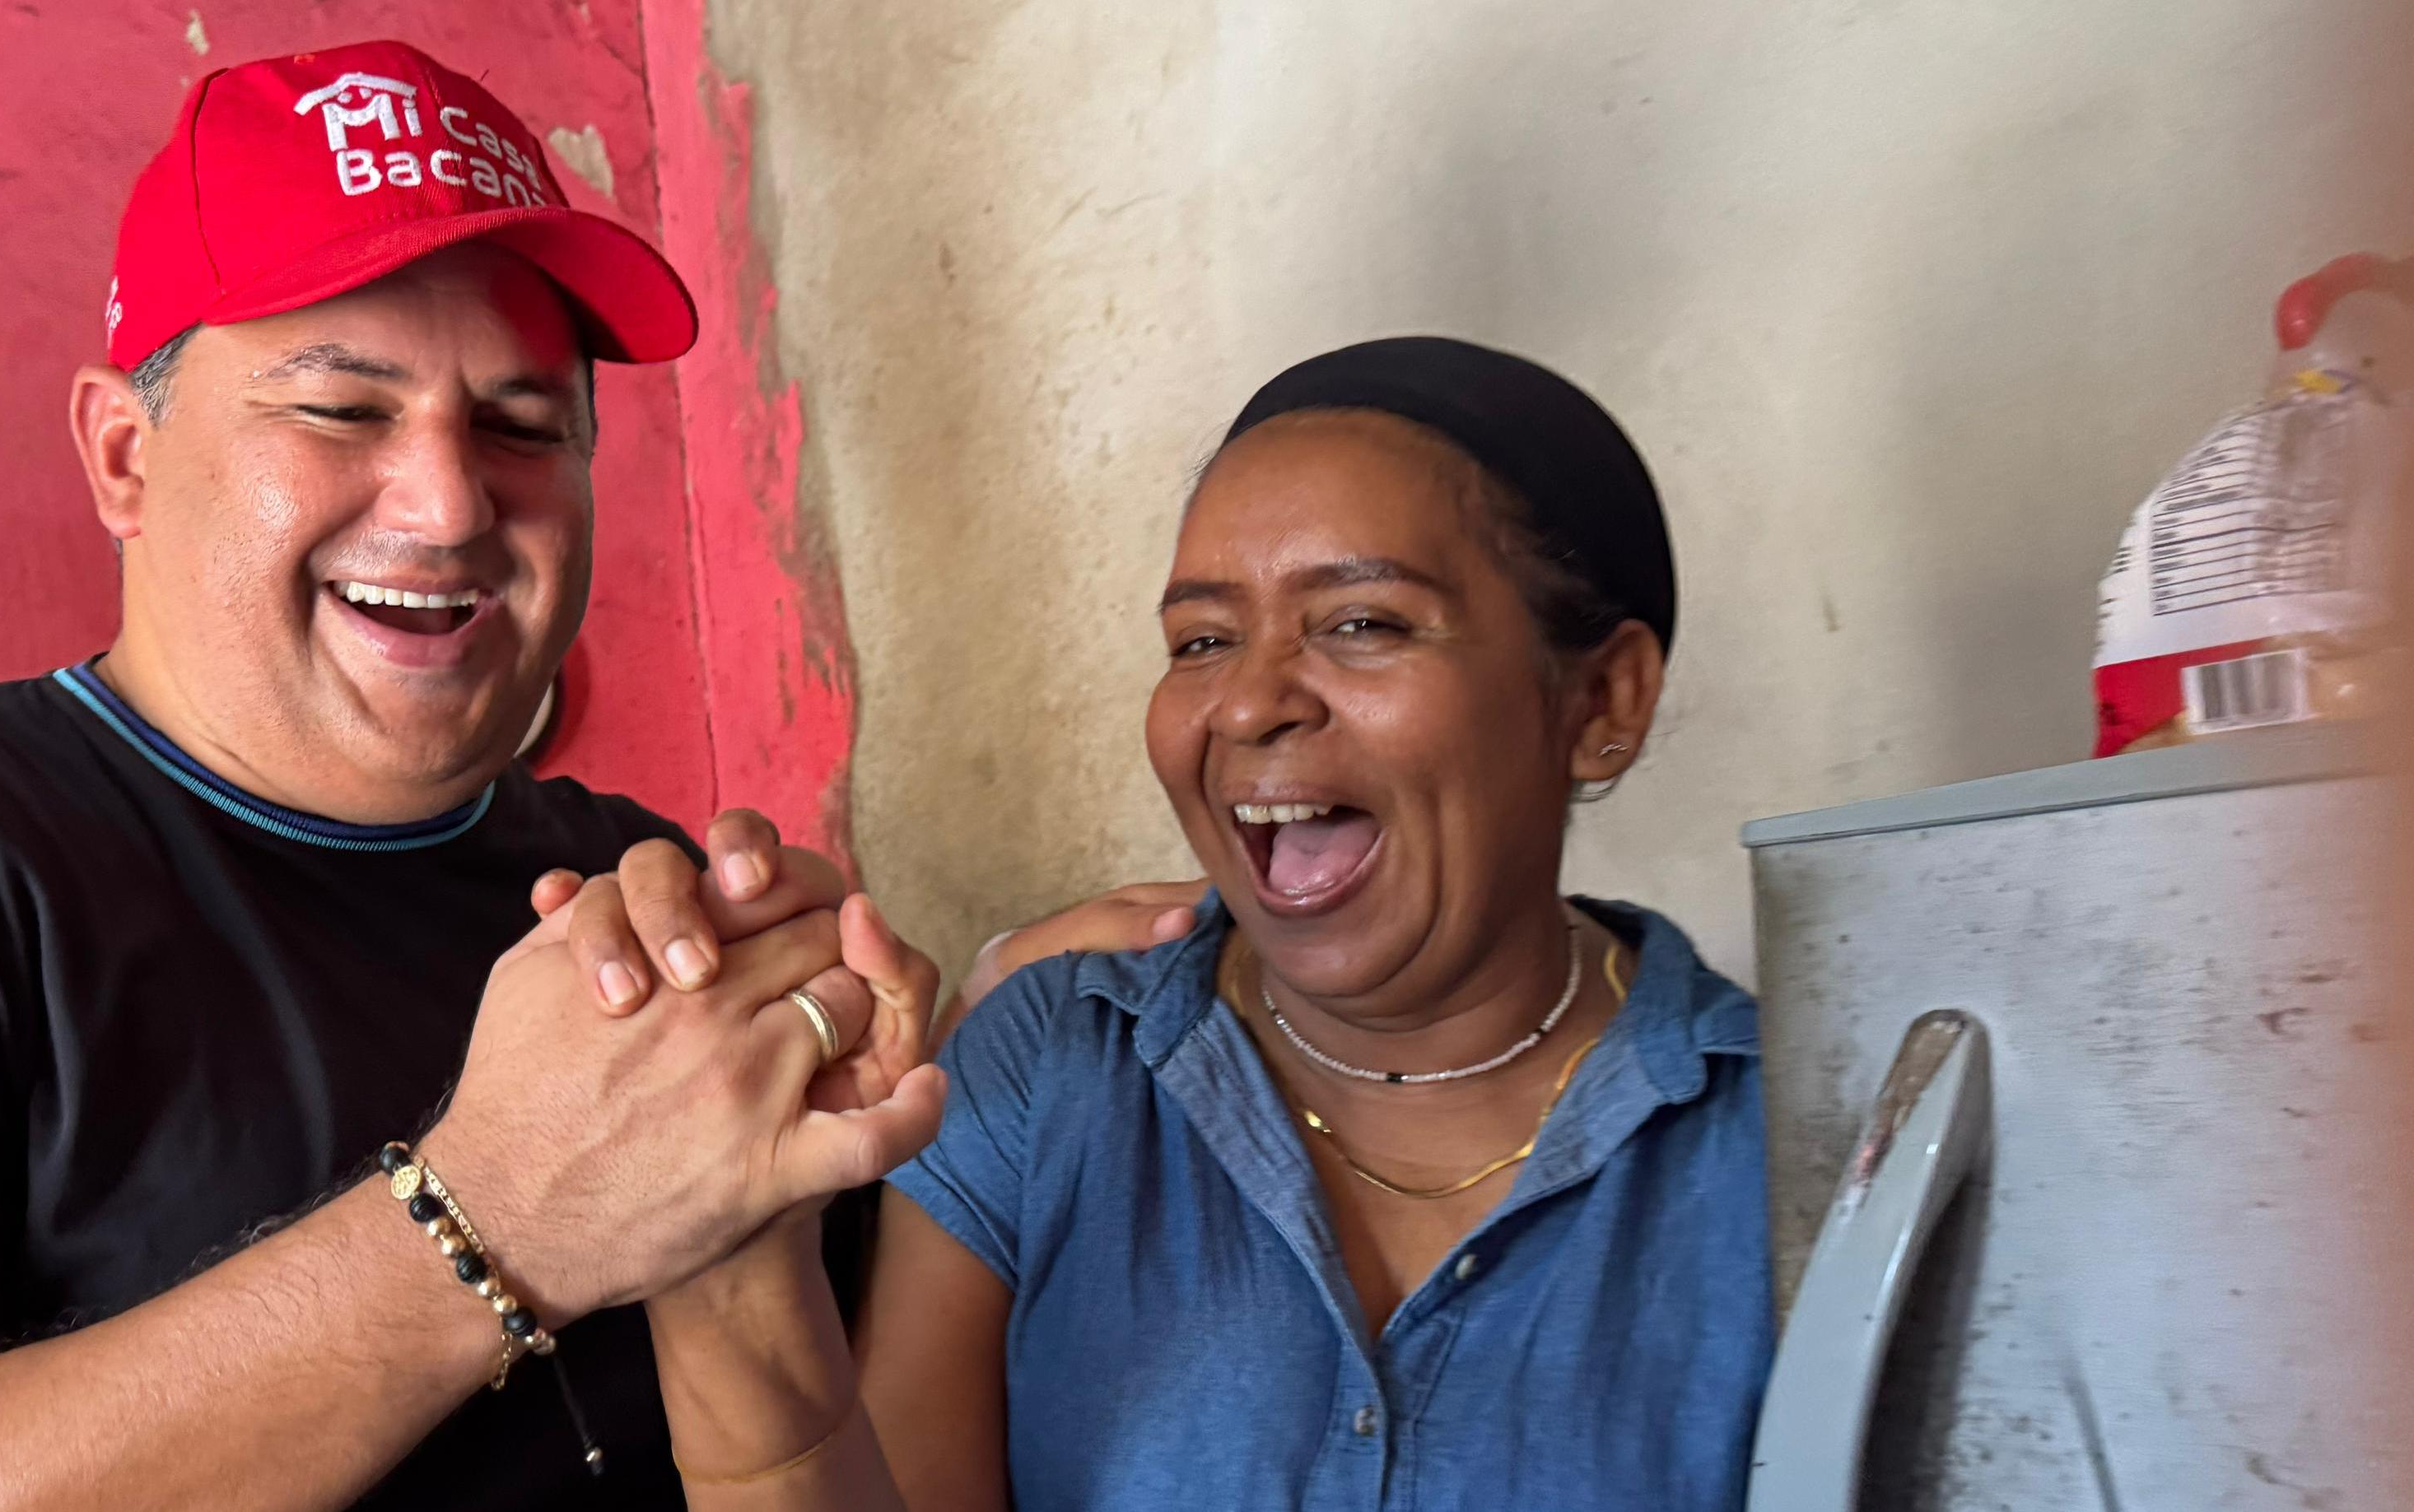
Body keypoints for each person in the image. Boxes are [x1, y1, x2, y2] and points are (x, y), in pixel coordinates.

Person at [0, 40, 1150, 1512]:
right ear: (126, 456)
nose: (445, 504)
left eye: (517, 424)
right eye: (342, 410)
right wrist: (492, 1221)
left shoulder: (638, 906)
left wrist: (938, 1087)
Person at [597, 337, 1773, 1509]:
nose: (1251, 700)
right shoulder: (1047, 1067)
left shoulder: (1794, 1148)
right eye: (1203, 641)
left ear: (1602, 701)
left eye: (1363, 622)